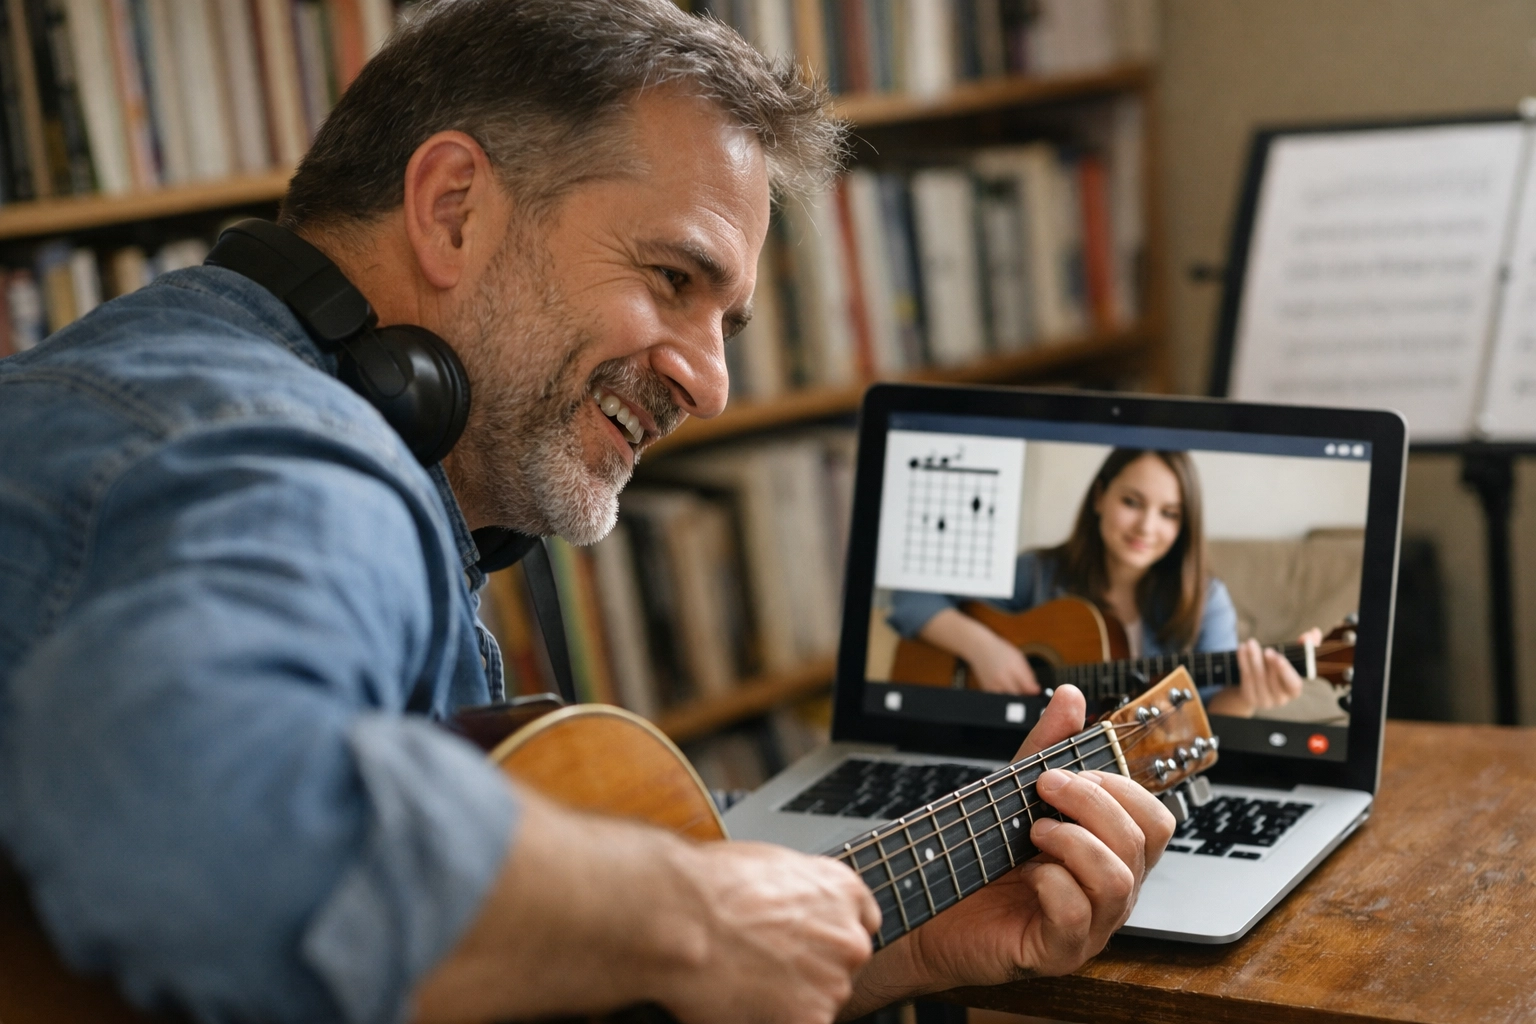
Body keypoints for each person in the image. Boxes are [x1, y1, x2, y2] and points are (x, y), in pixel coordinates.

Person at [0, 3, 1176, 1022]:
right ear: (454, 207)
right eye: (673, 279)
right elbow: (202, 811)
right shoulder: (285, 454)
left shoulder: (233, 393)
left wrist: (907, 944)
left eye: (730, 324)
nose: (711, 383)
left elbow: (470, 960)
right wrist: (693, 917)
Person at [889, 448, 1319, 717]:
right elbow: (911, 593)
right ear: (1100, 497)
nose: (1147, 526)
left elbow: (1205, 723)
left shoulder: (1207, 601)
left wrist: (1248, 696)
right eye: (1132, 502)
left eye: (1169, 513)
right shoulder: (1039, 573)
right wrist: (984, 649)